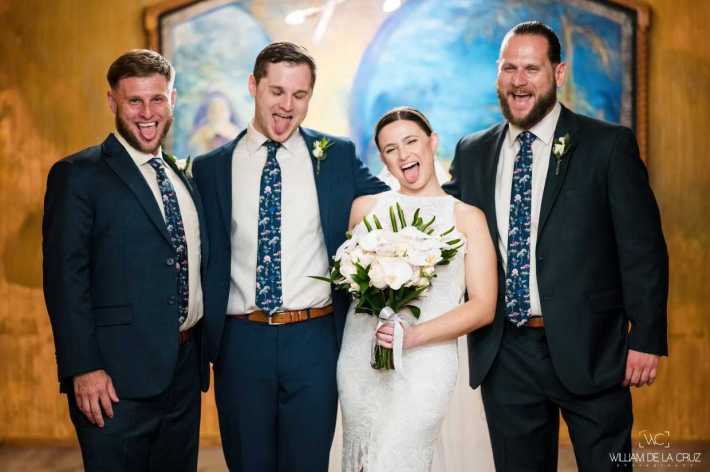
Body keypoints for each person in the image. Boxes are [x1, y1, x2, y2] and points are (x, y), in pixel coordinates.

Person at [444, 21, 669, 471]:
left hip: (594, 348)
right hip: (505, 354)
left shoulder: (608, 145)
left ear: (558, 73)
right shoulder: (473, 152)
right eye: (509, 68)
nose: (519, 80)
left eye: (531, 68)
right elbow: (442, 225)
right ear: (498, 74)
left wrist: (645, 337)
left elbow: (642, 248)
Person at [192, 42, 387, 472]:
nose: (287, 105)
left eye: (299, 95)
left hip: (314, 340)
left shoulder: (335, 156)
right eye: (276, 91)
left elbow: (392, 207)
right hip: (240, 342)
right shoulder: (209, 169)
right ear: (253, 86)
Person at [42, 49, 208, 472]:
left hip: (184, 375)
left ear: (173, 99)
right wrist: (84, 368)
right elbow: (66, 278)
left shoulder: (180, 174)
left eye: (157, 99)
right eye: (135, 100)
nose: (147, 112)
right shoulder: (78, 175)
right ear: (112, 101)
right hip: (114, 382)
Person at [337, 106, 498, 472]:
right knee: (361, 459)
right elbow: (348, 281)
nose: (404, 154)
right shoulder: (364, 210)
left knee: (399, 457)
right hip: (361, 358)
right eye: (391, 149)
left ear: (432, 142)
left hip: (426, 364)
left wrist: (413, 336)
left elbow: (483, 306)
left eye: (411, 141)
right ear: (382, 159)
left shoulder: (467, 217)